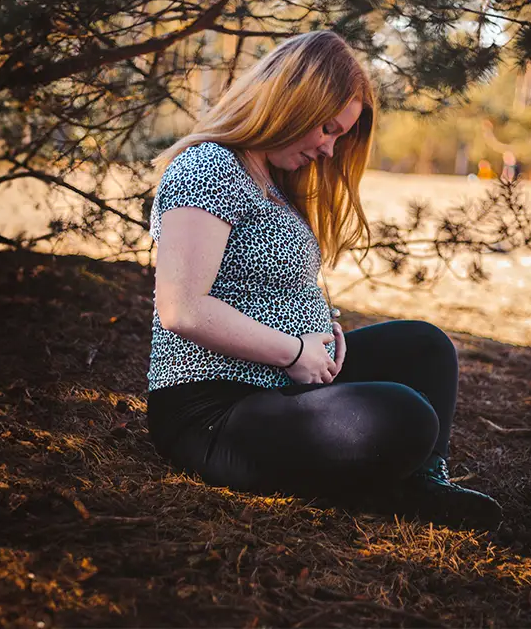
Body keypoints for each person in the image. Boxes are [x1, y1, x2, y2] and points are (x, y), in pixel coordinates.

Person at [144, 30, 502, 530]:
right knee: (406, 417)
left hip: (283, 383)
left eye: (340, 136)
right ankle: (389, 475)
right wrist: (294, 351)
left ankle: (420, 485)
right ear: (291, 103)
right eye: (327, 129)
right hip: (215, 410)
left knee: (425, 346)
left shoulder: (269, 179)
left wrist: (320, 330)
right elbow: (183, 309)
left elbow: (272, 284)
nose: (331, 150)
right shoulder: (206, 167)